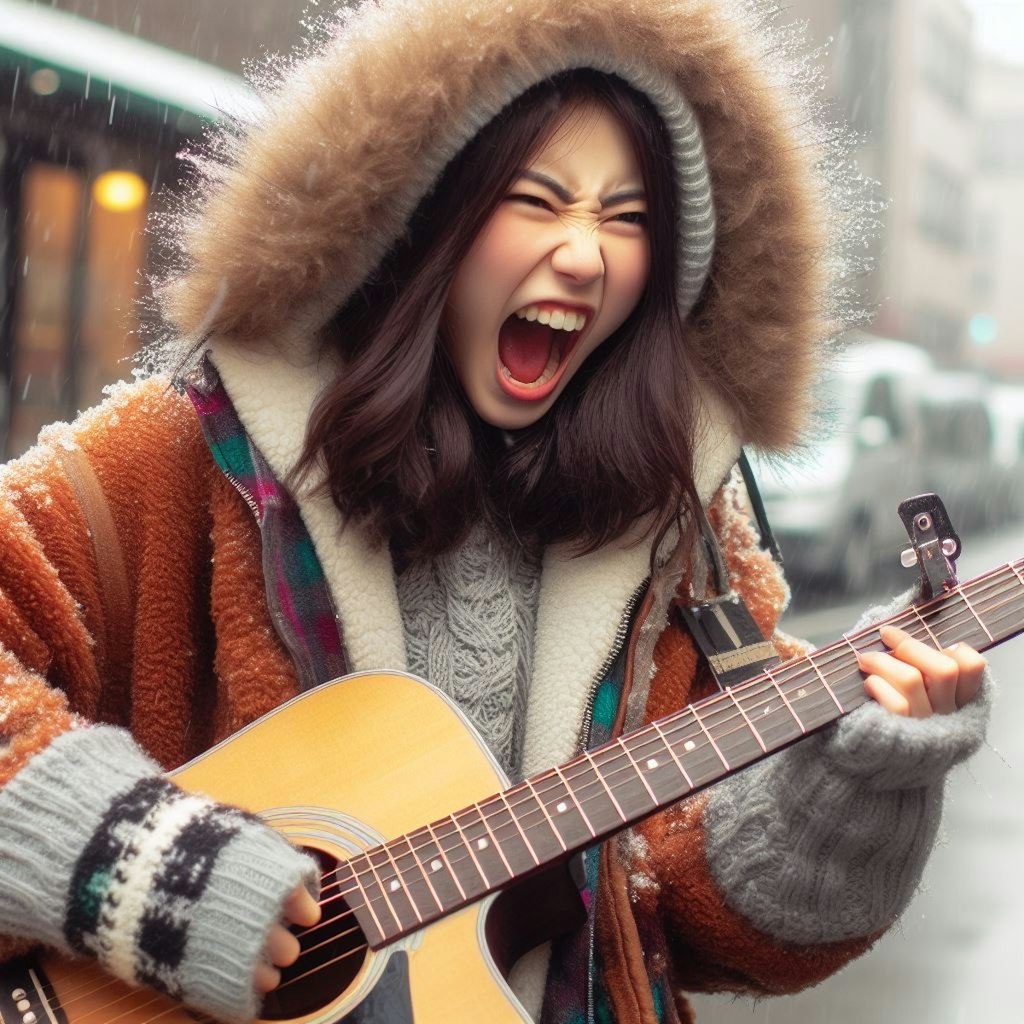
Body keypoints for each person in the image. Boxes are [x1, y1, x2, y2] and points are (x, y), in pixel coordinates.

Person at [0, 1, 990, 1022]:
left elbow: (696, 917)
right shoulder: (185, 455)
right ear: (419, 212)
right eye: (539, 199)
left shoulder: (680, 534)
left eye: (626, 217)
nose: (585, 255)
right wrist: (156, 876)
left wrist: (852, 785)